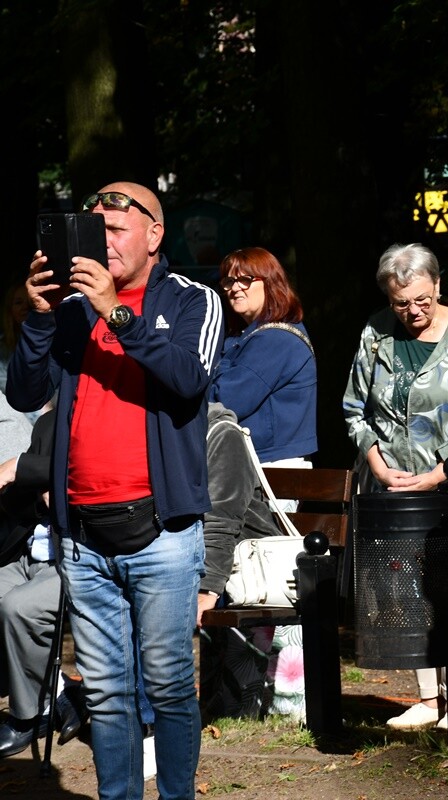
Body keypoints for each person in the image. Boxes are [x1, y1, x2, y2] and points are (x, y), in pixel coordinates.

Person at [6, 182, 223, 800]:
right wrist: (42, 316)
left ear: (155, 235)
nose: (101, 245)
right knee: (106, 691)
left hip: (163, 530)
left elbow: (187, 378)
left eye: (116, 231)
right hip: (83, 537)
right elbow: (24, 393)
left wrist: (116, 313)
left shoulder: (191, 300)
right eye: (93, 232)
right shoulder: (70, 309)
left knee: (170, 684)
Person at [343, 243, 448, 729]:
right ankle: (427, 697)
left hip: (447, 483)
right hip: (390, 484)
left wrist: (443, 472)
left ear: (437, 285)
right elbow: (355, 408)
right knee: (401, 588)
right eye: (402, 303)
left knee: (447, 590)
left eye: (421, 299)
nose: (413, 312)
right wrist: (375, 464)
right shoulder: (376, 331)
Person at [0, 403, 88, 758]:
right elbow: (17, 498)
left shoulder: (104, 419)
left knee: (17, 607)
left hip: (79, 553)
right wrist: (35, 489)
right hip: (30, 547)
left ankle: (27, 716)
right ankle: (58, 696)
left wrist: (27, 471)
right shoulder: (49, 423)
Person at [196, 401, 289, 722]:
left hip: (253, 569)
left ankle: (249, 706)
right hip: (221, 565)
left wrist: (207, 586)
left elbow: (223, 517)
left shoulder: (222, 434)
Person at [208, 247, 317, 472]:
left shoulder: (275, 340)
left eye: (245, 280)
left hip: (270, 467)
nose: (235, 288)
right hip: (257, 463)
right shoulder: (246, 336)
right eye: (229, 281)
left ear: (270, 282)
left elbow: (226, 400)